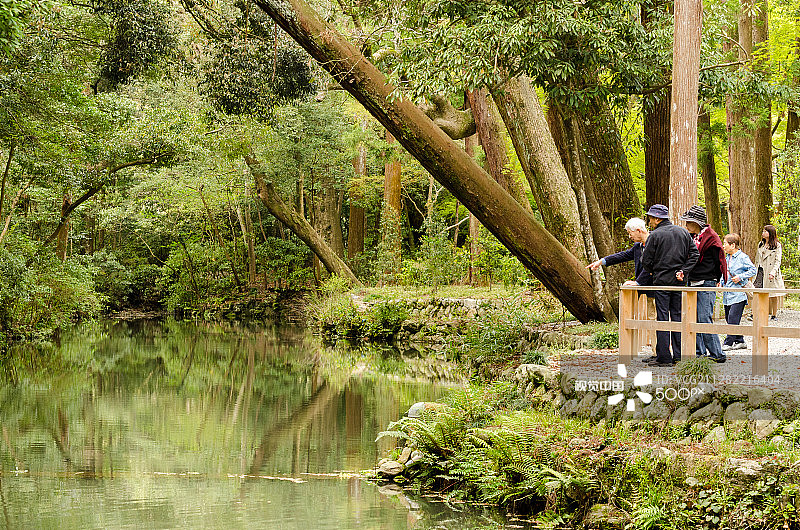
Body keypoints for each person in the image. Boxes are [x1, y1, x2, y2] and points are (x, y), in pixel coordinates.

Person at [641, 204, 699, 367]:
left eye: (651, 218)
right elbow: (694, 254)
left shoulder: (655, 235)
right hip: (679, 281)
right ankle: (679, 355)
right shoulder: (683, 233)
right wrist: (683, 271)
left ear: (658, 218)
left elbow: (646, 261)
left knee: (662, 318)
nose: (650, 221)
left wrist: (654, 271)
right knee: (677, 316)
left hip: (661, 281)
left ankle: (664, 357)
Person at [680, 206, 727, 363]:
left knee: (703, 317)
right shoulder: (694, 236)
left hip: (706, 281)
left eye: (689, 222)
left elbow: (718, 260)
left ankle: (717, 353)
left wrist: (715, 279)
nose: (686, 225)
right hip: (692, 281)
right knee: (693, 318)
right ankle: (699, 352)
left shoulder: (711, 237)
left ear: (697, 223)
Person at [587, 217, 651, 287]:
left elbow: (651, 265)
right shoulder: (638, 246)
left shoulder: (655, 242)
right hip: (643, 289)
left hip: (657, 287)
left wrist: (638, 282)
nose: (629, 237)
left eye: (630, 233)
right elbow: (622, 256)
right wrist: (601, 261)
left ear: (639, 231)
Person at [721, 233, 756, 350]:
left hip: (739, 294)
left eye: (725, 243)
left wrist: (740, 276)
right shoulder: (726, 258)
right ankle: (740, 340)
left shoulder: (743, 257)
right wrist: (721, 282)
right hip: (727, 293)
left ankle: (728, 343)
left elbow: (753, 270)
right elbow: (724, 273)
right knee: (729, 318)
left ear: (733, 245)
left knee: (732, 318)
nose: (723, 246)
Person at [755, 225, 785, 320]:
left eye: (765, 231)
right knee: (758, 291)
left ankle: (774, 314)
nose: (763, 233)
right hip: (760, 270)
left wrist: (773, 272)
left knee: (773, 294)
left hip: (771, 271)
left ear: (770, 233)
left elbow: (778, 261)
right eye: (763, 231)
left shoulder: (777, 245)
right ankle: (758, 313)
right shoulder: (761, 244)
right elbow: (757, 258)